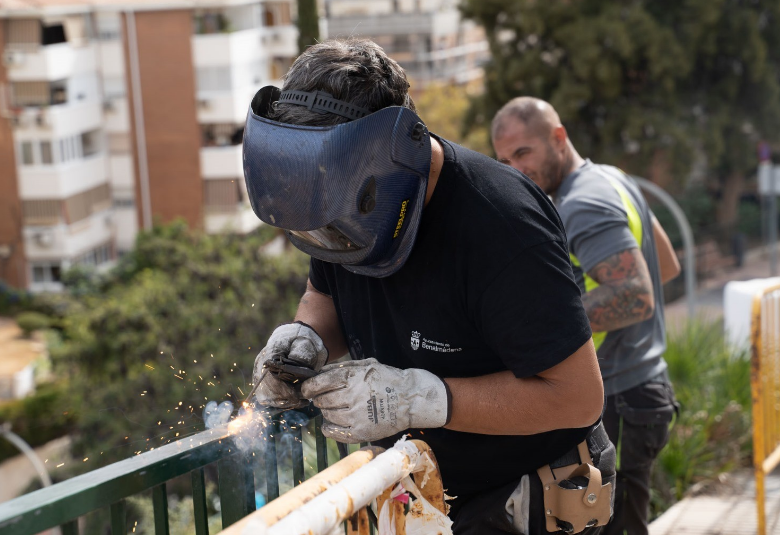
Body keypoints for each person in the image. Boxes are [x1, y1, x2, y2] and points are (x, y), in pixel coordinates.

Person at [243, 38, 615, 535]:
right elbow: (324, 293)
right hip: (420, 495)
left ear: (395, 153)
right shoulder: (335, 194)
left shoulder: (503, 225)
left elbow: (578, 397)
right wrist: (304, 338)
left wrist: (419, 398)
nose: (322, 237)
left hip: (530, 501)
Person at [491, 97, 681, 535]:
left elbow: (636, 295)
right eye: (504, 159)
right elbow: (666, 265)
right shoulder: (613, 179)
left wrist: (545, 331)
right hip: (641, 390)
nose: (515, 169)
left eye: (524, 153)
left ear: (558, 138)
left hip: (619, 396)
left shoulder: (583, 203)